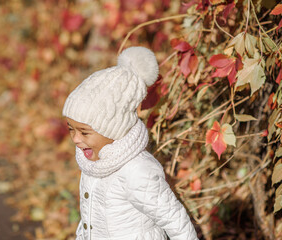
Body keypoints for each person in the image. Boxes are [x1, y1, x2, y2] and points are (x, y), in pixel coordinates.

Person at [62, 46, 198, 240]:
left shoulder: (137, 170)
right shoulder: (93, 163)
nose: (76, 139)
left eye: (84, 132)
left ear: (114, 129)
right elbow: (89, 217)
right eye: (71, 129)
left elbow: (174, 219)